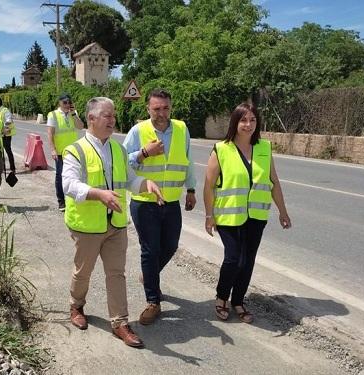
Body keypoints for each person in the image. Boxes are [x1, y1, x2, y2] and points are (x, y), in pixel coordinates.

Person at [62, 97, 164, 348]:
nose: (112, 120)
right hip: (87, 226)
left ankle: (120, 322)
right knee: (83, 272)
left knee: (116, 274)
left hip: (115, 225)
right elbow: (68, 184)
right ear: (92, 119)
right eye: (106, 115)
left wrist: (145, 184)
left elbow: (129, 179)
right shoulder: (76, 150)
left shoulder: (118, 149)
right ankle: (76, 306)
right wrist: (99, 194)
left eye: (113, 115)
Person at [203, 102, 291, 324]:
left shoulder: (264, 148)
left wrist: (283, 211)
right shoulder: (221, 149)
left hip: (256, 216)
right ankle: (222, 297)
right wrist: (209, 215)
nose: (248, 124)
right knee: (234, 259)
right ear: (235, 122)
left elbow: (273, 182)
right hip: (228, 215)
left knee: (248, 260)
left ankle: (238, 301)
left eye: (253, 120)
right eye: (243, 120)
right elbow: (209, 185)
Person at [123, 88, 197, 326]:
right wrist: (145, 153)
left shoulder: (182, 129)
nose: (162, 113)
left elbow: (188, 161)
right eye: (157, 109)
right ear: (148, 109)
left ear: (170, 107)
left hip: (171, 200)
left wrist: (192, 189)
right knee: (150, 249)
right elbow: (122, 161)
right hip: (145, 202)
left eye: (165, 108)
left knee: (171, 246)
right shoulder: (138, 131)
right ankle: (153, 301)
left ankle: (149, 276)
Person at [47, 93, 85, 212]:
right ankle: (61, 201)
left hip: (73, 151)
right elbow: (50, 134)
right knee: (60, 176)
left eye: (69, 102)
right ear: (59, 103)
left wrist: (74, 114)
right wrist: (53, 149)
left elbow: (80, 127)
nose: (67, 104)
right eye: (65, 102)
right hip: (60, 152)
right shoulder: (53, 115)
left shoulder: (74, 113)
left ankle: (73, 198)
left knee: (75, 175)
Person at [0, 97, 16, 173]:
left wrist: (5, 128)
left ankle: (13, 168)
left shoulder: (5, 111)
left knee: (8, 151)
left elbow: (9, 120)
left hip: (7, 135)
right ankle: (2, 167)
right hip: (0, 134)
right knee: (0, 151)